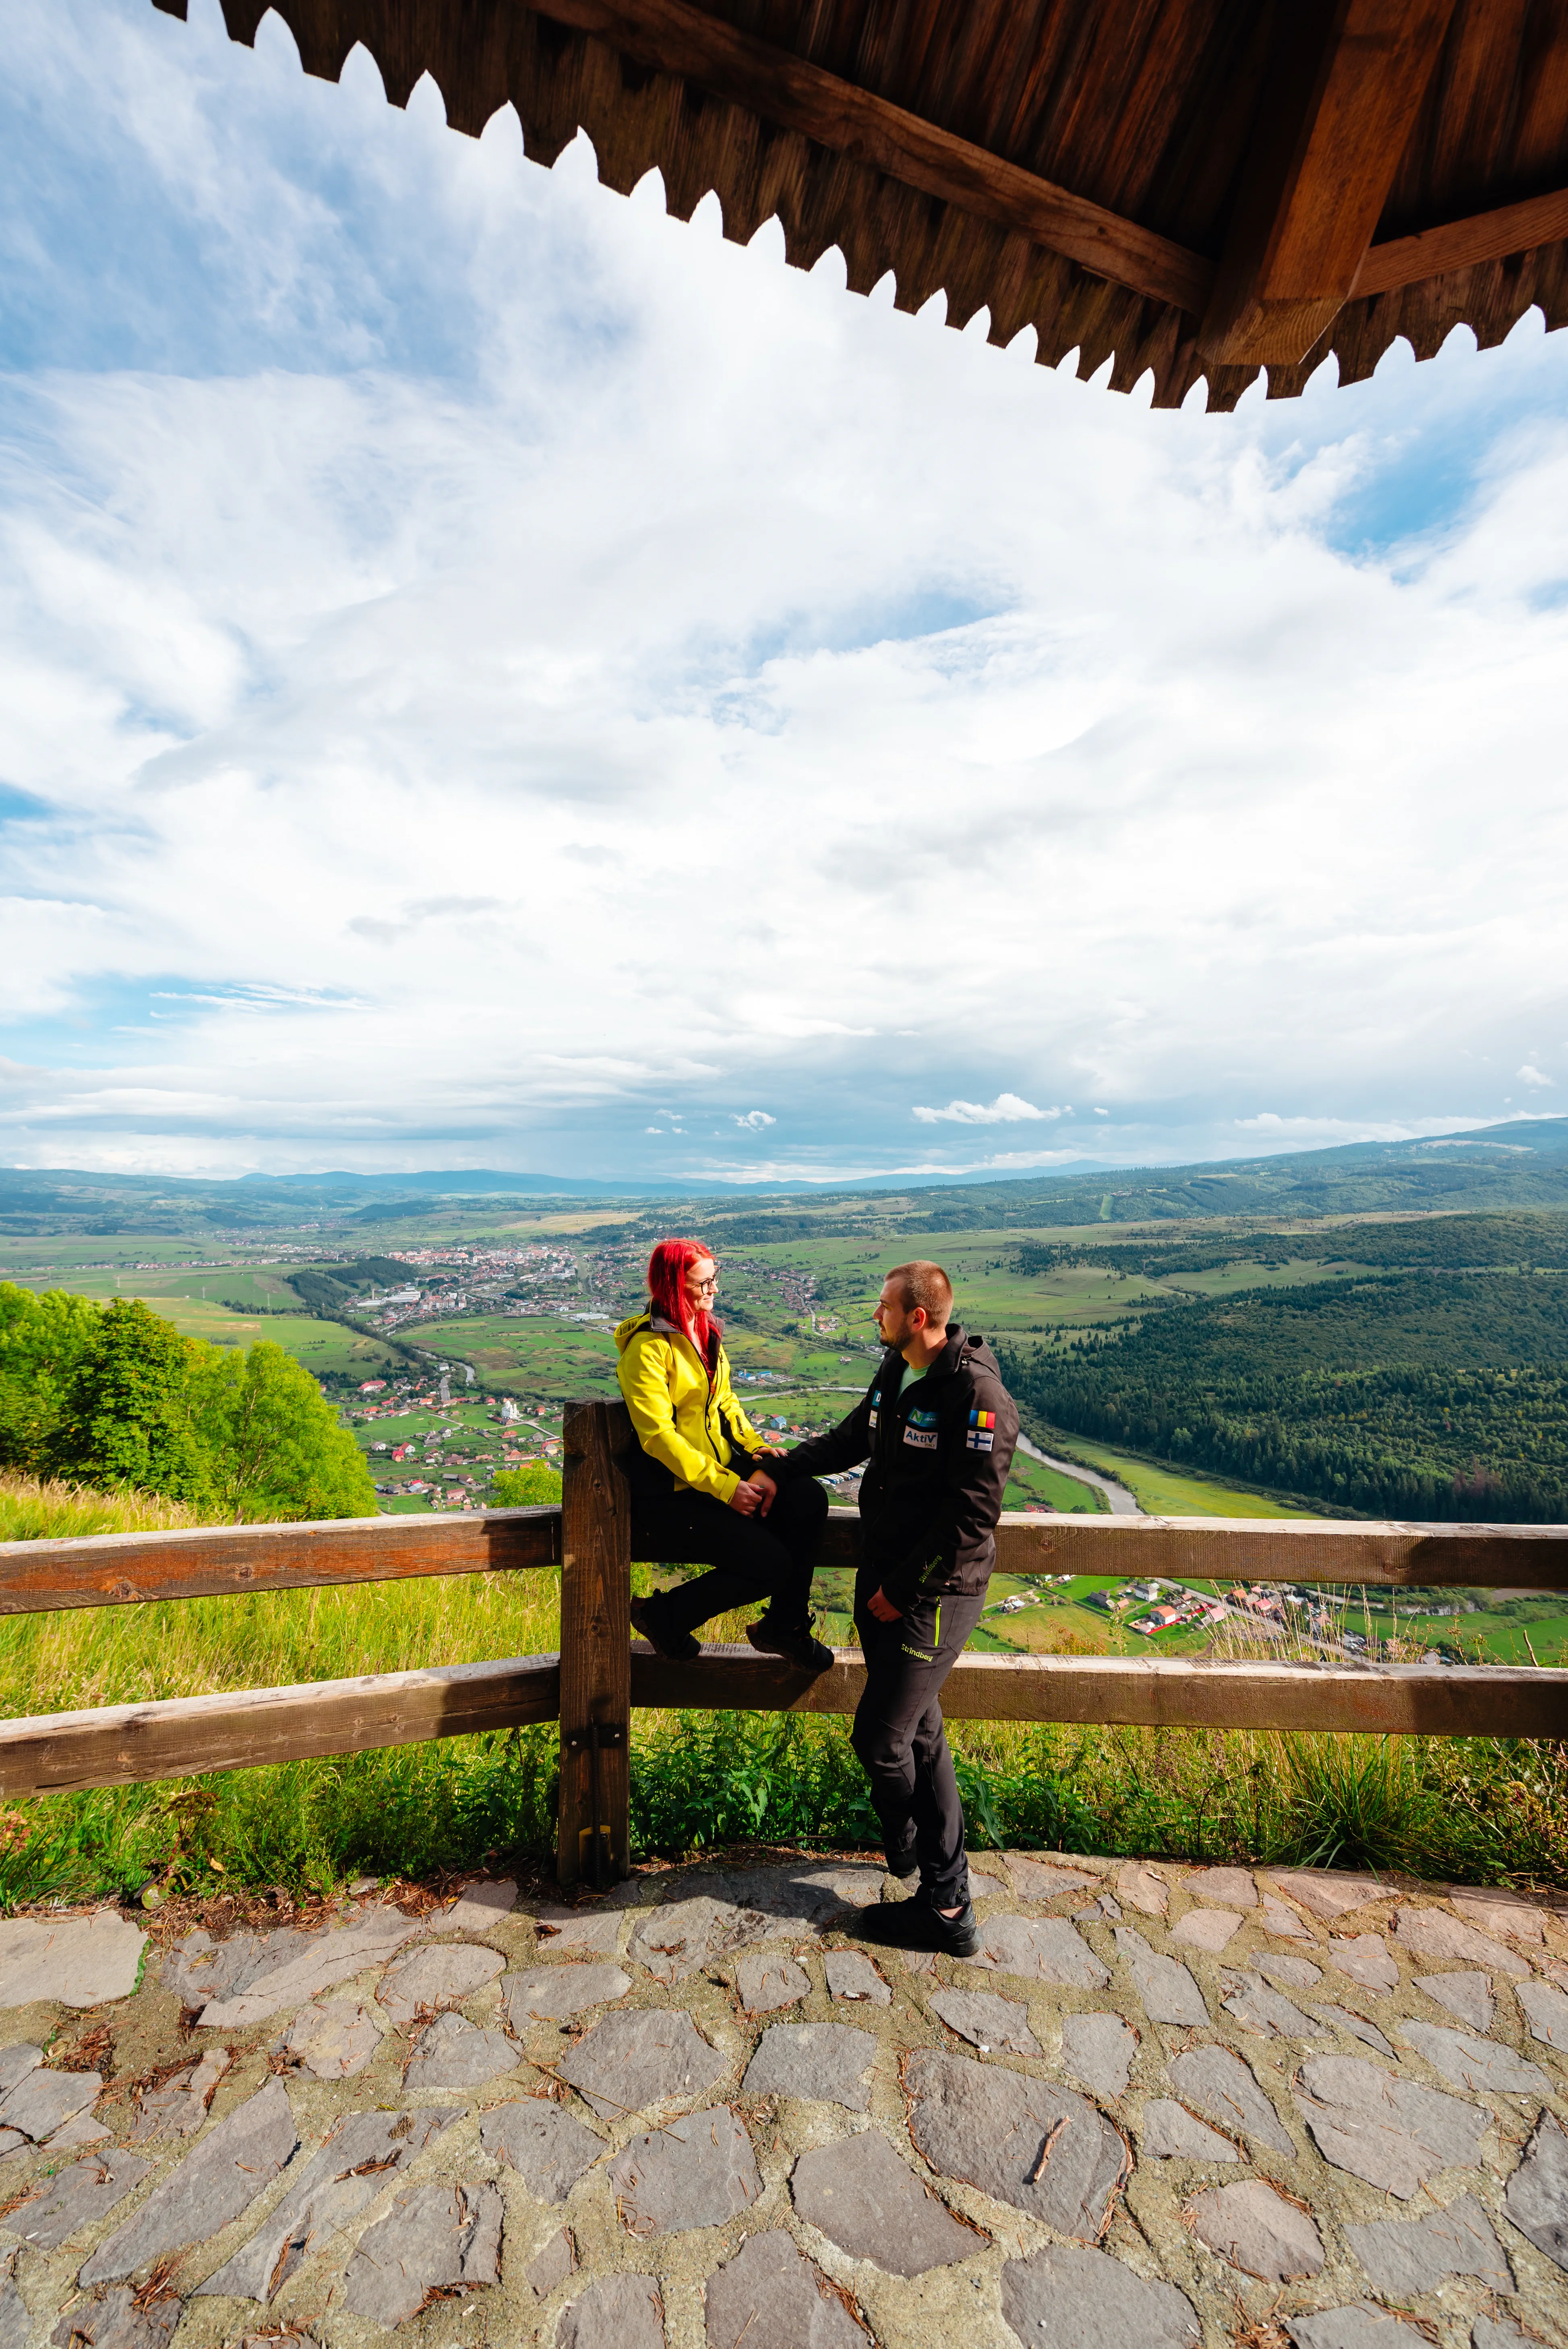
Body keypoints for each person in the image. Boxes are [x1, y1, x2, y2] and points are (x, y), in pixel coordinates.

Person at [757, 1259, 1017, 1956]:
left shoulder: (975, 1392)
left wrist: (901, 1588)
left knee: (879, 1735)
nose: (875, 1315)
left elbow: (972, 1516)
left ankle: (943, 1893)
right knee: (917, 1733)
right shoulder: (895, 1371)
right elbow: (850, 1439)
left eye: (883, 1307)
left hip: (931, 1596)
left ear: (918, 1316)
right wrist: (777, 1466)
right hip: (884, 1585)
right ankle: (929, 1875)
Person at [615, 1237, 833, 1670]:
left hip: (716, 1471)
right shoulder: (648, 1349)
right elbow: (658, 1437)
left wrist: (754, 1448)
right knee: (771, 1564)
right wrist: (727, 1487)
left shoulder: (705, 1330)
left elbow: (725, 1402)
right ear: (673, 1286)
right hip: (674, 1491)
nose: (715, 1290)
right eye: (704, 1282)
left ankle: (785, 1626)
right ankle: (663, 1616)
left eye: (716, 1278)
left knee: (808, 1496)